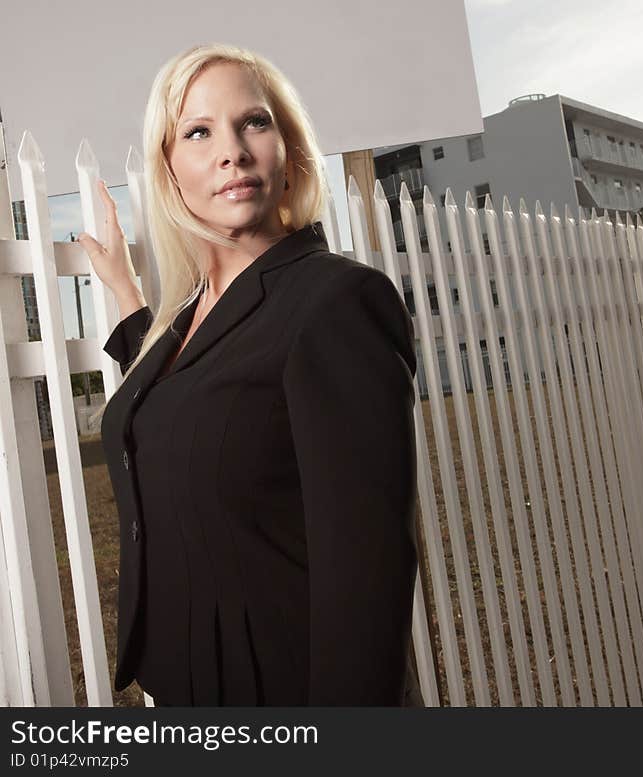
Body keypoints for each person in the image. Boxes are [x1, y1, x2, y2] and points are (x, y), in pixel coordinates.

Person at [79, 43, 424, 707]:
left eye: (254, 123)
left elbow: (367, 585)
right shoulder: (188, 318)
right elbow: (176, 406)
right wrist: (126, 294)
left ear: (289, 152)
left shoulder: (335, 302)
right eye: (199, 131)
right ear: (169, 168)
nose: (230, 150)